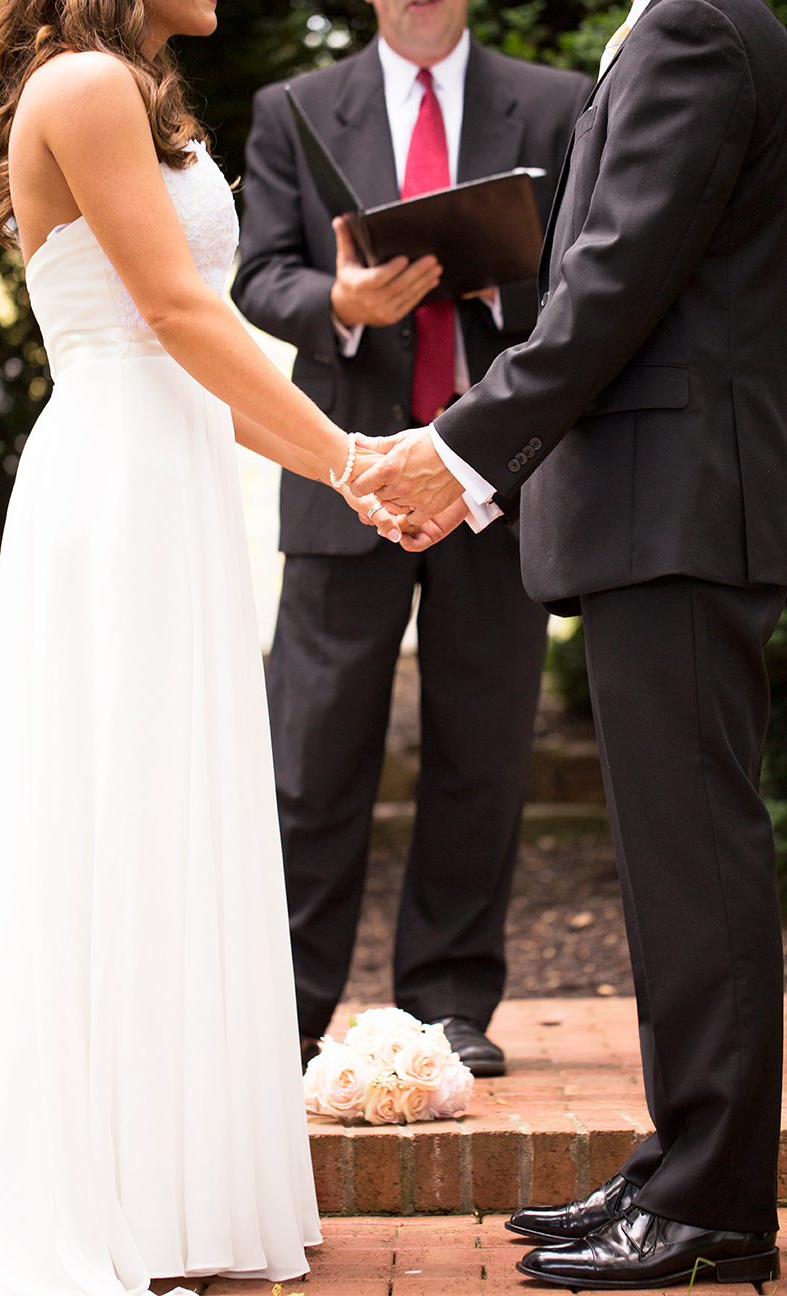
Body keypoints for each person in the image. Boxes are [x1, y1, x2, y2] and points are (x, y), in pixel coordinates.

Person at [0, 0, 402, 1290]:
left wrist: (347, 469)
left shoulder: (143, 90)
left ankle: (181, 1198)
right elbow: (181, 320)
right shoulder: (80, 83)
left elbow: (204, 349)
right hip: (116, 493)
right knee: (123, 813)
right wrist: (352, 462)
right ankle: (115, 1197)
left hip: (174, 476)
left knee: (180, 815)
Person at [351, 0, 787, 1283]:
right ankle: (686, 1160)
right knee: (674, 857)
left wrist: (461, 451)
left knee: (695, 856)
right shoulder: (695, 24)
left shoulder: (697, 28)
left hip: (678, 500)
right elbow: (633, 266)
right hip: (673, 502)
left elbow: (617, 281)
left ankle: (712, 1197)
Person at [231, 0, 591, 1076]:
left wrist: (500, 280)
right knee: (313, 755)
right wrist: (341, 302)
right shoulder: (293, 108)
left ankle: (448, 1003)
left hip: (495, 481)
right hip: (347, 475)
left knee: (481, 750)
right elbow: (258, 276)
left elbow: (591, 273)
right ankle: (287, 1006)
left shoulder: (559, 104)